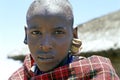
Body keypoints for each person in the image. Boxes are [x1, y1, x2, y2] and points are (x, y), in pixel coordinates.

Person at [9, 0, 119, 80]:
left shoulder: (99, 73)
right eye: (36, 33)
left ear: (74, 35)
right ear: (26, 35)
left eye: (58, 32)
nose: (46, 45)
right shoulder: (18, 77)